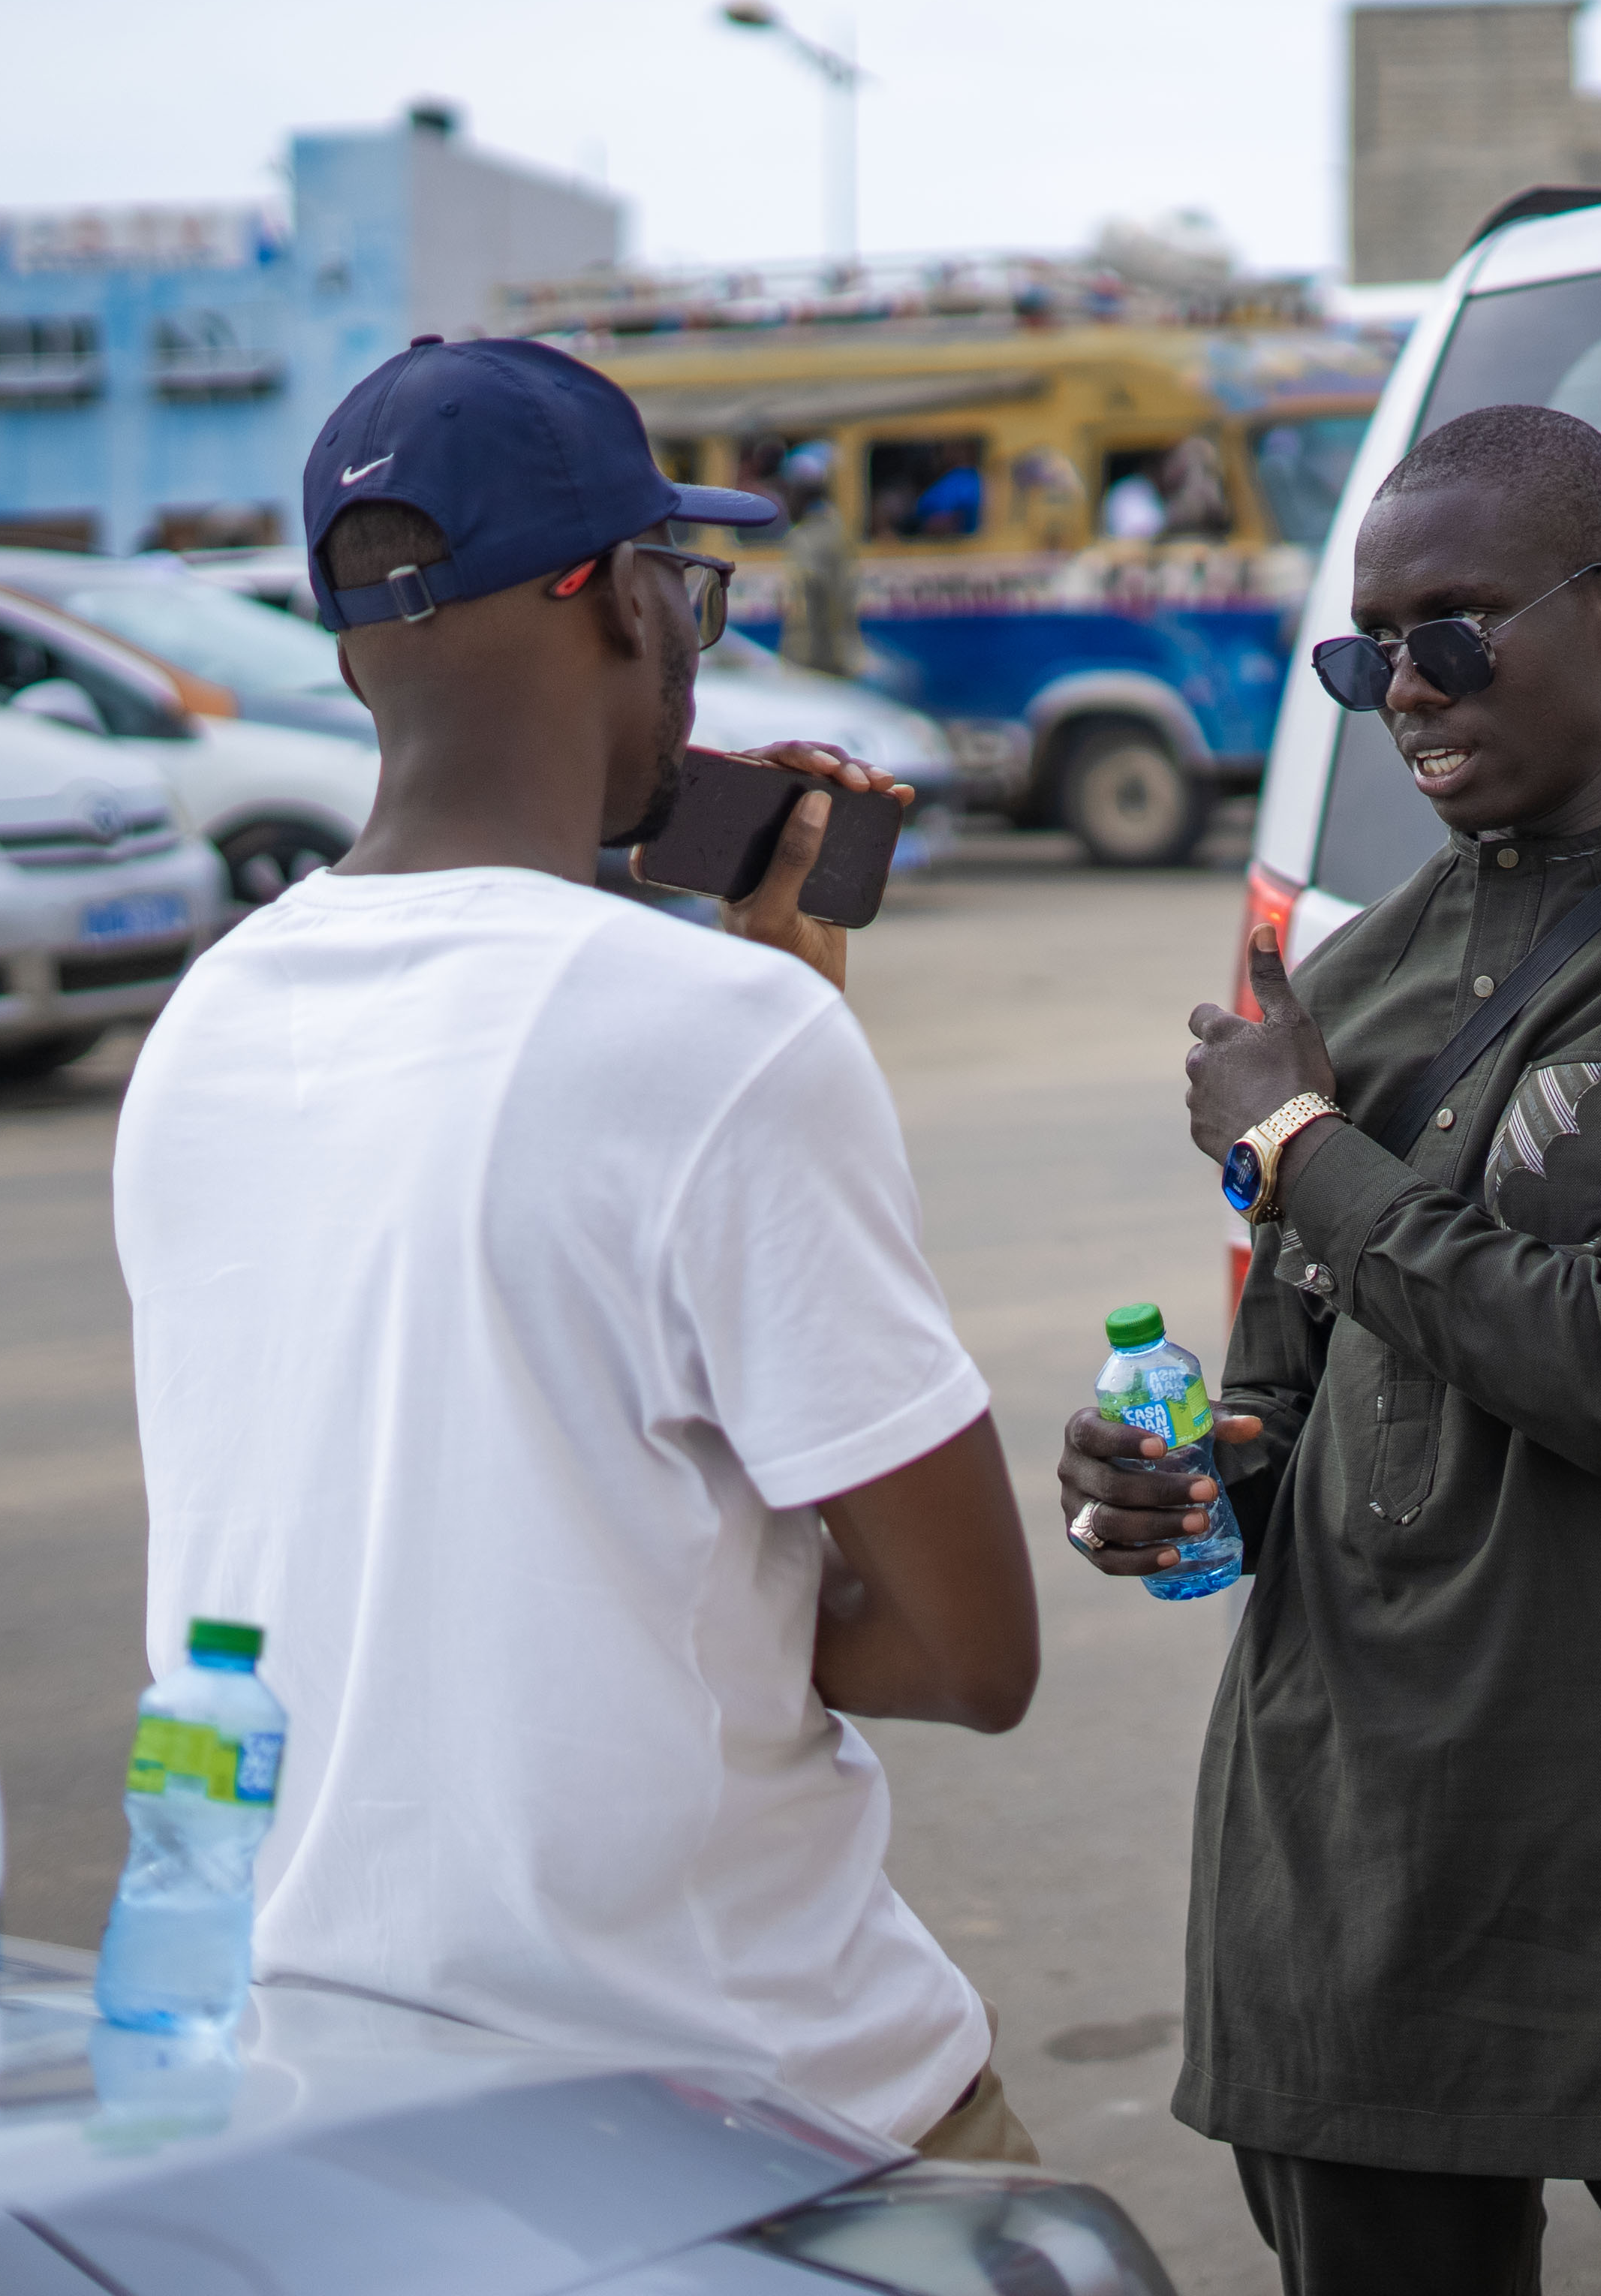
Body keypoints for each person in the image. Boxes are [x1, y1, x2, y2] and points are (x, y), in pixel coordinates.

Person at [114, 333, 1043, 2158]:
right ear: (629, 600)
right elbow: (970, 1655)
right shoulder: (725, 1046)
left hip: (324, 2090)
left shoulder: (204, 1029)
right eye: (689, 586)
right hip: (748, 2108)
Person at [1056, 403, 1601, 2291]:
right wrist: (1192, 1471)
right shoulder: (1348, 983)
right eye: (1366, 651)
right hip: (1351, 1843)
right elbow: (1295, 1395)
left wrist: (1298, 1144)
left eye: (1452, 630)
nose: (1406, 688)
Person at [778, 443, 864, 678]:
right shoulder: (838, 530)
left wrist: (796, 667)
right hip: (843, 658)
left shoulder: (806, 539)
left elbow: (804, 611)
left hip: (817, 667)